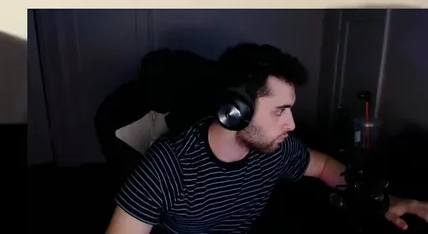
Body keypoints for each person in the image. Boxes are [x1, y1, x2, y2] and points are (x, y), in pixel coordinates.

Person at [105, 43, 428, 233]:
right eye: (279, 111)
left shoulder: (276, 149)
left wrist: (380, 201)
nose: (291, 124)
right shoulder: (169, 165)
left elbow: (324, 166)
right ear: (235, 111)